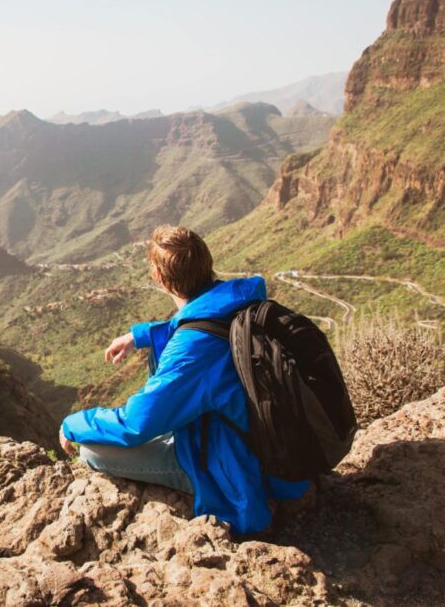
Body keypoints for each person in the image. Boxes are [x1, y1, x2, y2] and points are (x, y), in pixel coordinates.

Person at [59, 225, 310, 534]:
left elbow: (137, 424)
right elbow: (205, 322)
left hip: (236, 466)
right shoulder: (243, 302)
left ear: (160, 278)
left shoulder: (190, 351)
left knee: (92, 451)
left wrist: (72, 424)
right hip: (281, 450)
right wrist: (142, 335)